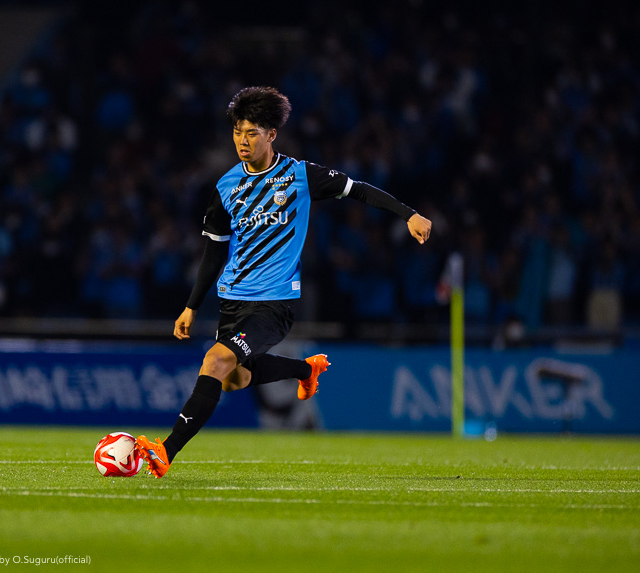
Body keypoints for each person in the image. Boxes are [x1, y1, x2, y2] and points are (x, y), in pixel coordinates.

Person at [135, 86, 432, 477]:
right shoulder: (225, 188)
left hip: (274, 304)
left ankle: (165, 451)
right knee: (234, 379)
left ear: (271, 134)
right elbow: (213, 253)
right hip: (232, 300)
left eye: (252, 133)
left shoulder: (300, 176)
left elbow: (358, 190)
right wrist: (191, 306)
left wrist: (409, 215)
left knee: (216, 361)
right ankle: (304, 371)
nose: (243, 140)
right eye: (238, 132)